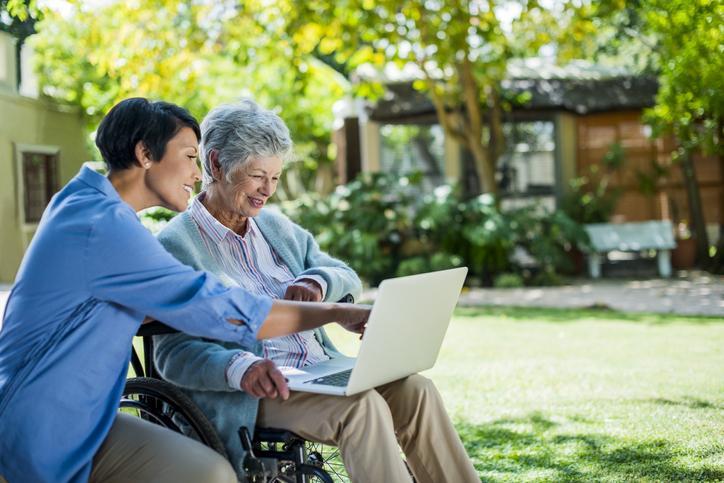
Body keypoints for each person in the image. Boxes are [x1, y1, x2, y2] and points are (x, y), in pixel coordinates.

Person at [0, 98, 369, 483]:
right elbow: (222, 308)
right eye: (191, 156)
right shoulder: (104, 227)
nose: (197, 174)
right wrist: (335, 312)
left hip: (90, 419)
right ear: (145, 154)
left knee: (209, 472)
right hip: (40, 429)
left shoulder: (82, 203)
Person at [153, 99, 479, 483]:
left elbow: (344, 275)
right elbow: (172, 355)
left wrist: (318, 281)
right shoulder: (177, 245)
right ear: (217, 164)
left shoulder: (276, 228)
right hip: (251, 394)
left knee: (416, 390)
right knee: (362, 408)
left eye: (275, 178)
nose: (267, 191)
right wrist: (242, 367)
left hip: (318, 369)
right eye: (258, 176)